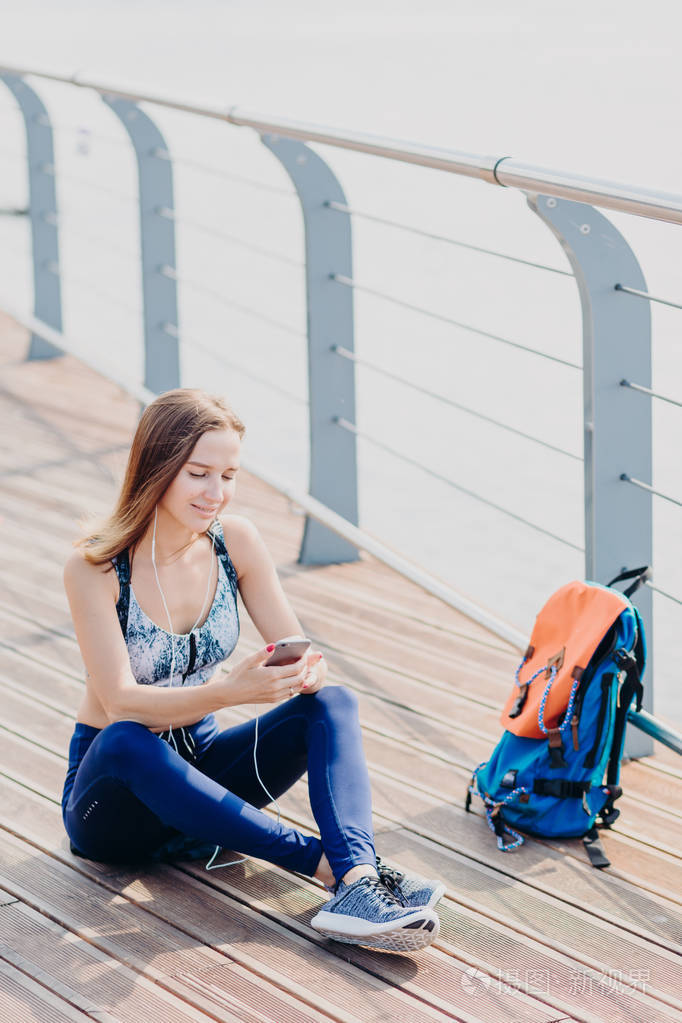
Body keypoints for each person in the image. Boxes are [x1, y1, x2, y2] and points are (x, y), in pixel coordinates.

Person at [62, 388, 444, 952]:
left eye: (229, 475)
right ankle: (328, 867)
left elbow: (298, 649)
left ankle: (360, 879)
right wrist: (230, 692)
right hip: (116, 807)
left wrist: (306, 673)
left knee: (333, 702)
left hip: (202, 777)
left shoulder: (234, 542)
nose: (216, 493)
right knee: (124, 740)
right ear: (157, 467)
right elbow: (120, 702)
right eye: (198, 474)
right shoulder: (95, 566)